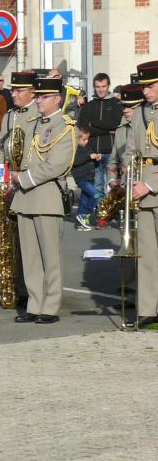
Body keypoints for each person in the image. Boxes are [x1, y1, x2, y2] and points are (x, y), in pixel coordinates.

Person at [9, 77, 74, 324]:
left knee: (50, 256)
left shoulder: (65, 126)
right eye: (37, 96)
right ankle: (35, 303)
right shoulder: (32, 123)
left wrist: (22, 178)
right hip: (26, 197)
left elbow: (56, 165)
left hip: (46, 195)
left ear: (57, 98)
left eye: (43, 97)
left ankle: (51, 305)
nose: (39, 100)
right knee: (30, 256)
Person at [124, 61, 158, 330]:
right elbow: (131, 152)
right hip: (142, 189)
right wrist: (130, 180)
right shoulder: (140, 113)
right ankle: (147, 309)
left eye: (150, 86)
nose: (145, 92)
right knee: (147, 254)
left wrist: (149, 184)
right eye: (144, 86)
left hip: (152, 186)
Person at [78, 72, 122, 228]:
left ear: (108, 86)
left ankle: (111, 214)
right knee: (97, 186)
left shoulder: (117, 104)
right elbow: (84, 128)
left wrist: (95, 124)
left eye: (103, 86)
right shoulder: (89, 106)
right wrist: (107, 129)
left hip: (111, 151)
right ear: (94, 87)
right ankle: (100, 217)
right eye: (97, 87)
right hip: (94, 152)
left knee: (112, 186)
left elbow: (116, 125)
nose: (101, 90)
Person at [70, 126, 99, 231]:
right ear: (77, 139)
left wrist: (96, 159)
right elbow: (75, 162)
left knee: (84, 199)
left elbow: (91, 162)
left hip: (90, 177)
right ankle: (87, 213)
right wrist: (89, 157)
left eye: (87, 139)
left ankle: (80, 222)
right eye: (84, 139)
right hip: (81, 178)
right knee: (95, 195)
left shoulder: (88, 148)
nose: (86, 141)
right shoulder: (75, 149)